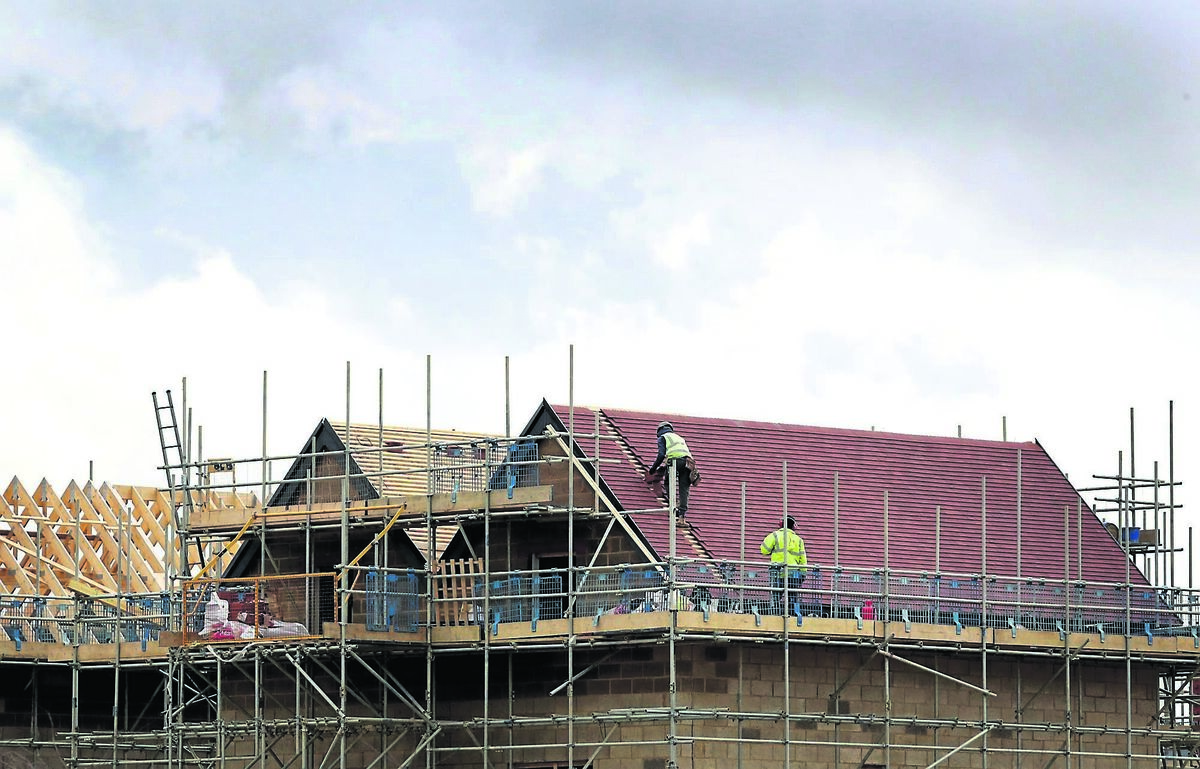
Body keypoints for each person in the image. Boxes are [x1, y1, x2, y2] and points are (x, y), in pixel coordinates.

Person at [646, 421, 697, 515]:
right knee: (684, 486)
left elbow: (661, 455)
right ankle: (682, 514)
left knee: (668, 482)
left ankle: (674, 503)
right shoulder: (679, 437)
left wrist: (653, 469)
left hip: (675, 461)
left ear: (660, 430)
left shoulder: (663, 437)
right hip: (688, 463)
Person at [760, 515, 807, 615]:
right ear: (793, 526)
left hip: (778, 573)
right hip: (793, 574)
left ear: (781, 525)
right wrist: (803, 574)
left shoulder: (775, 535)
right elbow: (803, 560)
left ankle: (774, 614)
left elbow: (764, 550)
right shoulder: (799, 540)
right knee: (792, 597)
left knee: (776, 596)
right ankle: (792, 615)